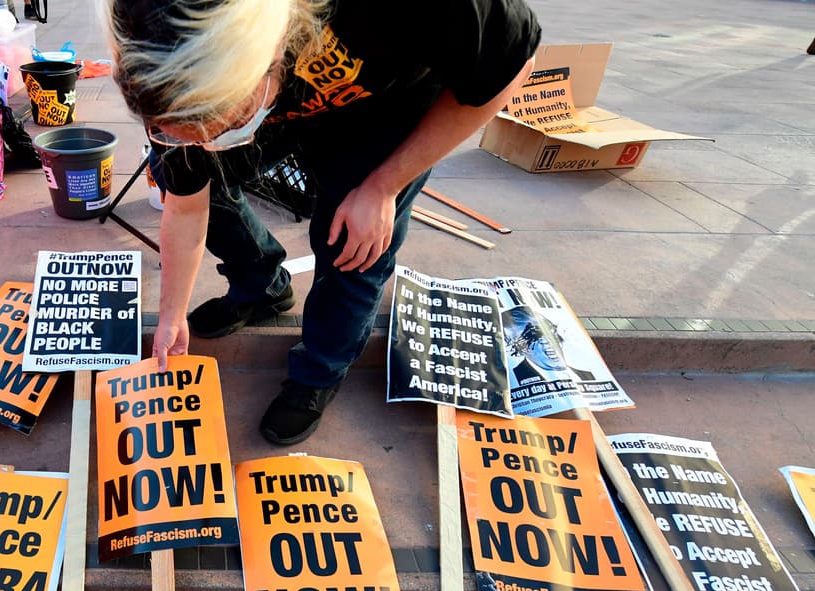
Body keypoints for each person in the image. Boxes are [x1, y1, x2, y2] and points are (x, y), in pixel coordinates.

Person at [103, 0, 541, 444]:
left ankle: (318, 373)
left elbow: (510, 67)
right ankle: (262, 287)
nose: (210, 144)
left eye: (222, 128)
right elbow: (187, 206)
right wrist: (172, 314)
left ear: (267, 55)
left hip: (388, 101)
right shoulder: (157, 39)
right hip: (275, 95)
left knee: (351, 242)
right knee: (186, 175)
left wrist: (384, 187)